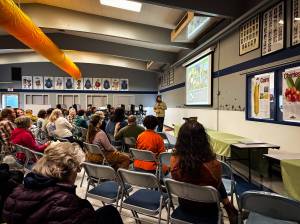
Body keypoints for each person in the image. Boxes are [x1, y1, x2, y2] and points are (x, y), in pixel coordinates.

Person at [3, 142, 124, 224]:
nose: (78, 172)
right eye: (78, 168)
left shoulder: (16, 192)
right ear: (70, 169)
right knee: (110, 212)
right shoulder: (67, 203)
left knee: (107, 211)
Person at [170, 121, 238, 224]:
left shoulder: (174, 160)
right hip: (208, 210)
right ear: (203, 139)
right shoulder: (215, 164)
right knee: (216, 183)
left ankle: (227, 203)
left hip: (184, 205)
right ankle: (227, 204)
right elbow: (217, 185)